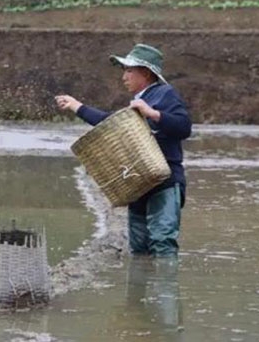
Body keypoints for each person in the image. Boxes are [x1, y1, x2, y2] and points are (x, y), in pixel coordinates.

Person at [55, 43, 191, 257]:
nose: (123, 76)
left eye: (129, 70)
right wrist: (76, 106)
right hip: (137, 182)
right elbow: (109, 122)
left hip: (164, 181)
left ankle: (165, 289)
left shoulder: (165, 94)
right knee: (138, 246)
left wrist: (153, 114)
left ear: (145, 73)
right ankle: (140, 287)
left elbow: (184, 127)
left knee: (163, 241)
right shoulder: (138, 100)